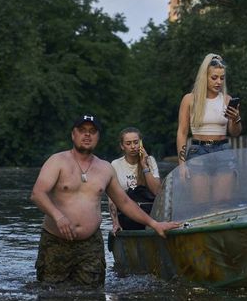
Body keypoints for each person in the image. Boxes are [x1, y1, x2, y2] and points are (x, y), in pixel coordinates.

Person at [30, 114, 180, 287]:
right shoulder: (57, 161)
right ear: (73, 135)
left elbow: (124, 203)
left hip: (90, 247)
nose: (87, 135)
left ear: (98, 137)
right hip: (56, 242)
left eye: (92, 131)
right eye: (82, 131)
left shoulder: (105, 168)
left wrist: (154, 224)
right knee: (51, 299)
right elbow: (38, 194)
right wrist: (59, 217)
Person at [176, 53, 242, 204]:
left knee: (222, 202)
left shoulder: (227, 99)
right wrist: (181, 164)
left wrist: (236, 118)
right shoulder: (189, 99)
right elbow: (182, 132)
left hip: (223, 150)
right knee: (201, 203)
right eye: (214, 78)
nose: (218, 82)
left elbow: (235, 132)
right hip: (198, 152)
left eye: (222, 78)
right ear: (204, 77)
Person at [108, 127, 161, 233]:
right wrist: (115, 223)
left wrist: (144, 166)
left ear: (141, 144)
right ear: (122, 146)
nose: (133, 147)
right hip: (127, 215)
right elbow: (112, 199)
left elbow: (157, 191)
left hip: (149, 212)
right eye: (128, 143)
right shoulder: (115, 164)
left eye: (136, 142)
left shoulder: (150, 161)